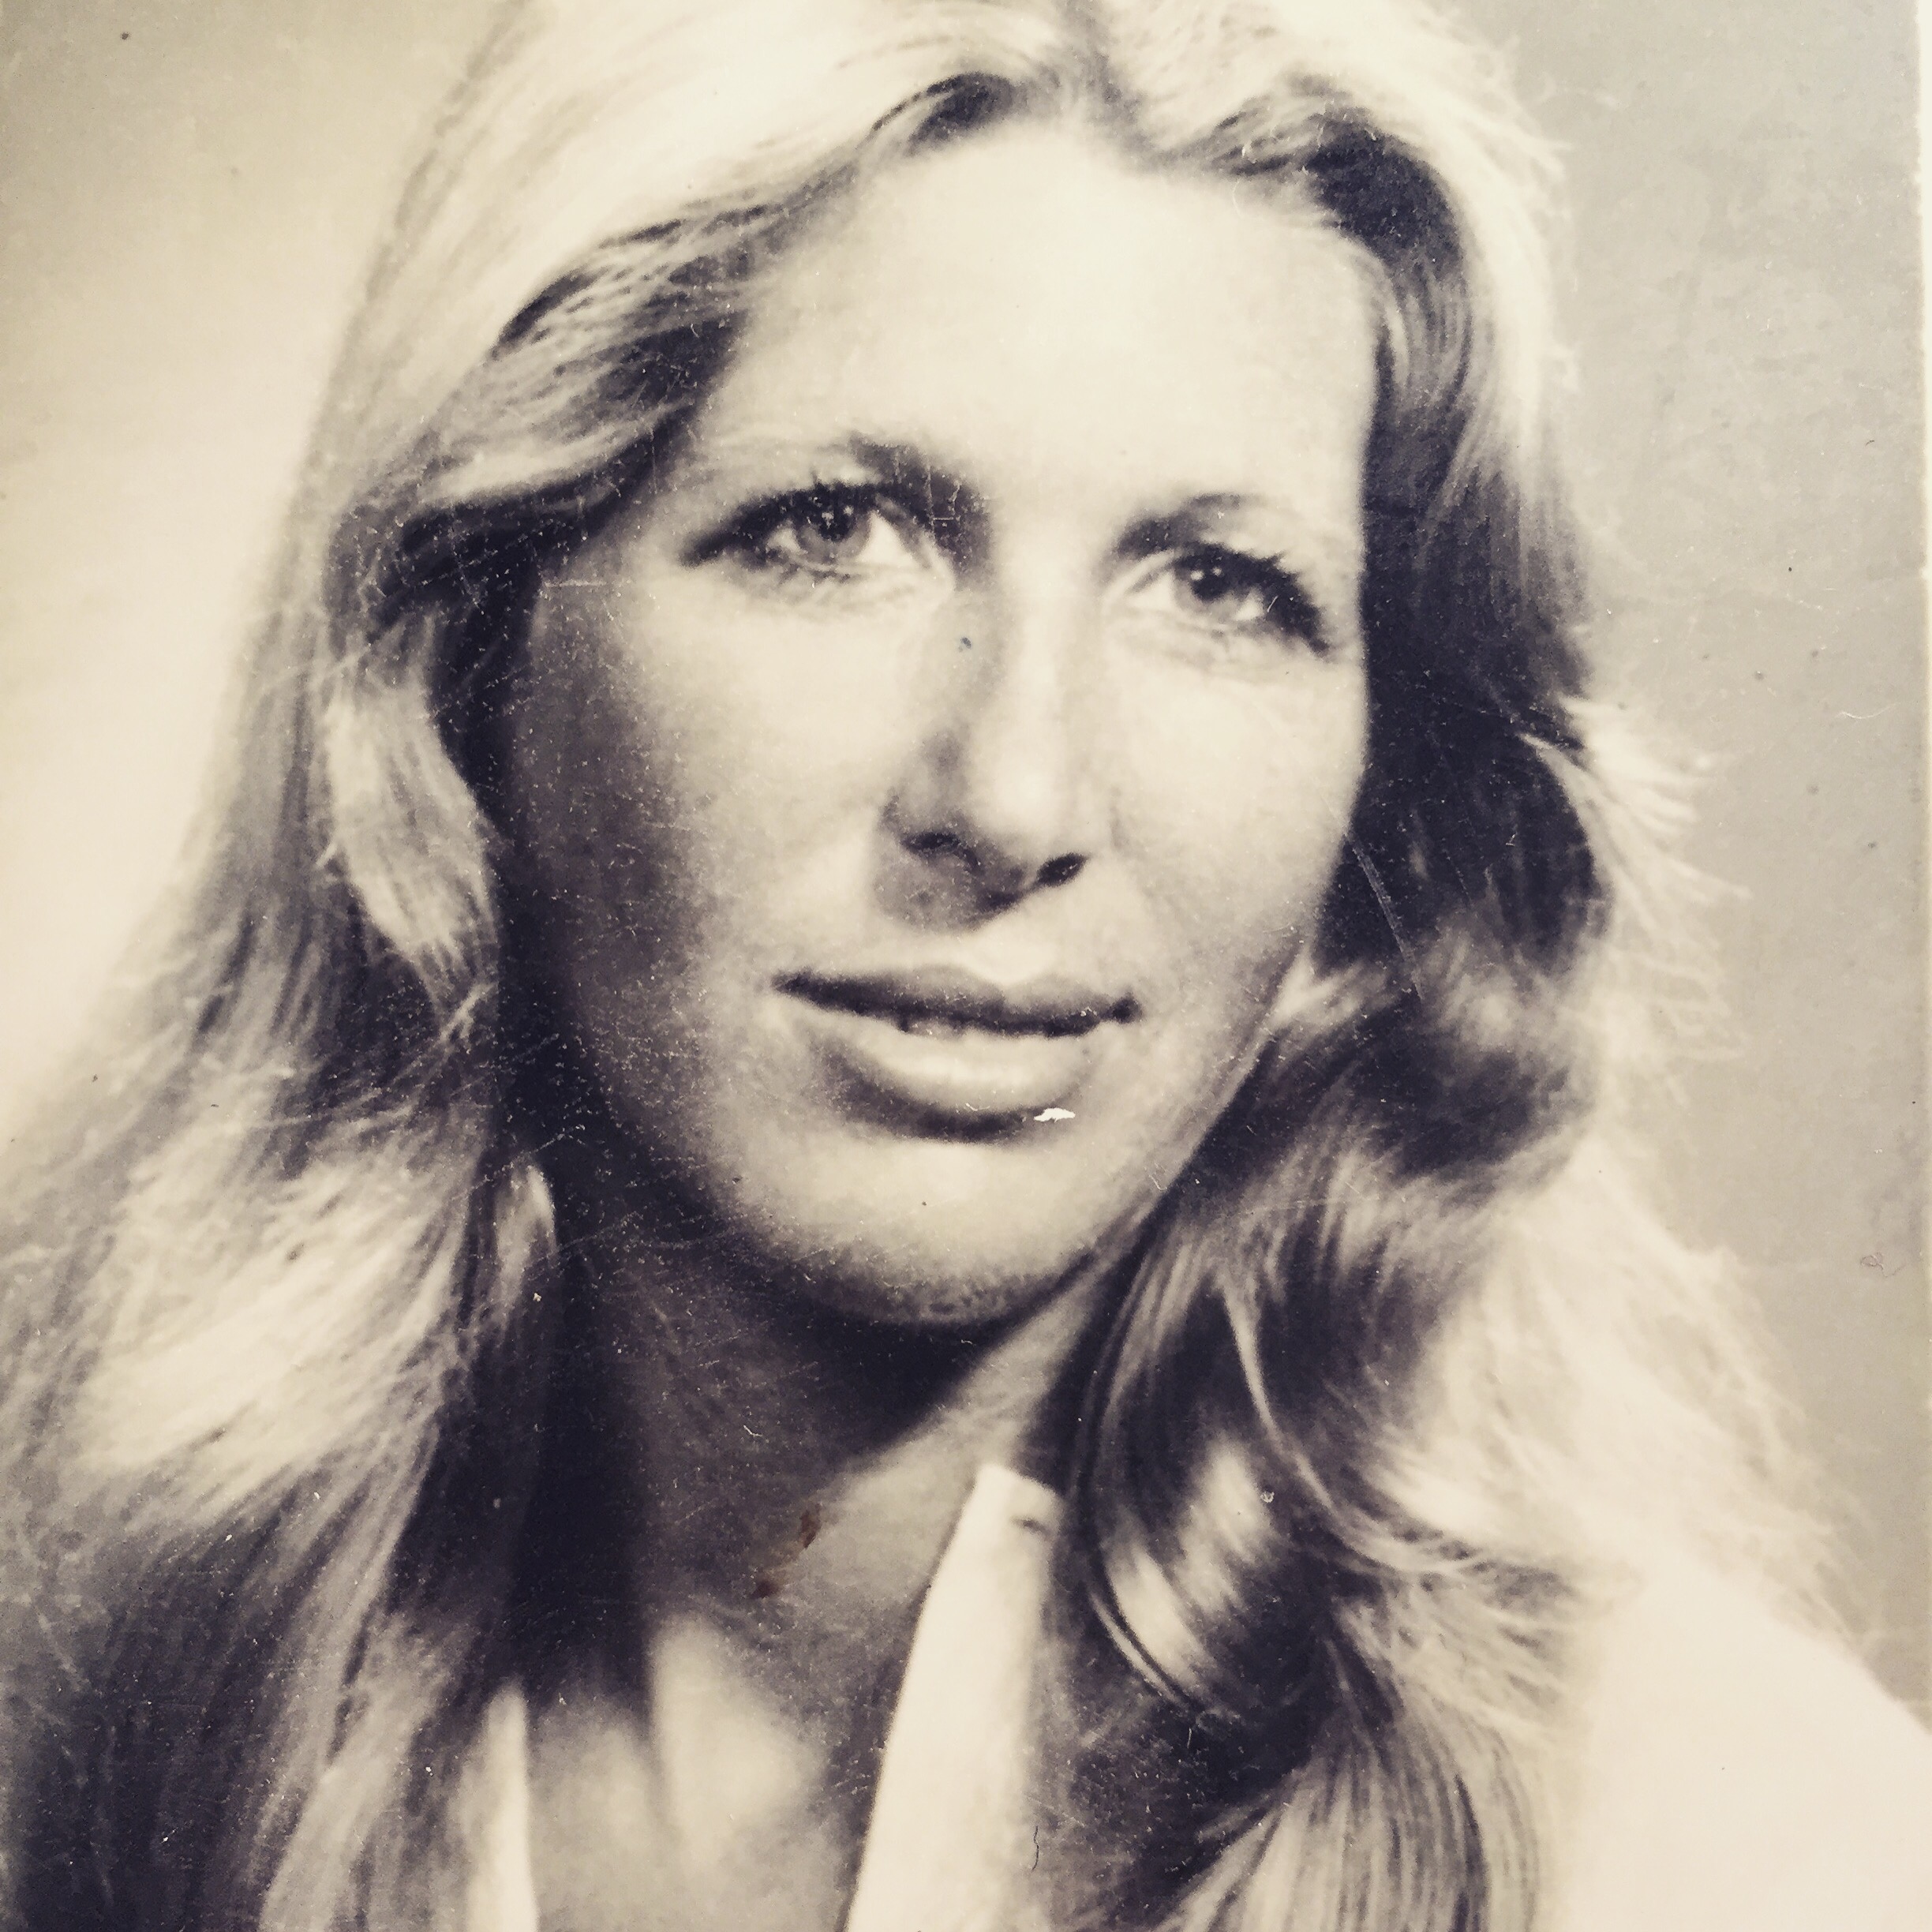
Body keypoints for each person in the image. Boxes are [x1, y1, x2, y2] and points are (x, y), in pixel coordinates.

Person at [0, 1, 1925, 1928]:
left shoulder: (1736, 1851)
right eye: (833, 531)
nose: (1013, 799)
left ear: (1386, 806)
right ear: (468, 669)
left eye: (1221, 587)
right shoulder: (80, 1719)